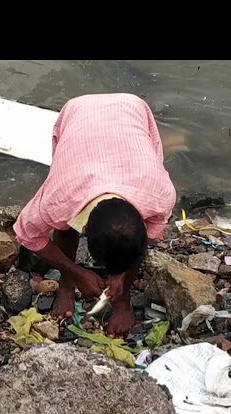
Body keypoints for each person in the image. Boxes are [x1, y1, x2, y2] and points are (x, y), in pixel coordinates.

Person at [13, 93, 177, 338]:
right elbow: (26, 234)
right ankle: (66, 287)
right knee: (63, 224)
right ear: (85, 228)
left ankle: (123, 301)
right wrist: (77, 273)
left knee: (125, 246)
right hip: (77, 112)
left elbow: (146, 239)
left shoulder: (160, 194)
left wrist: (122, 280)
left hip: (132, 108)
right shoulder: (57, 199)